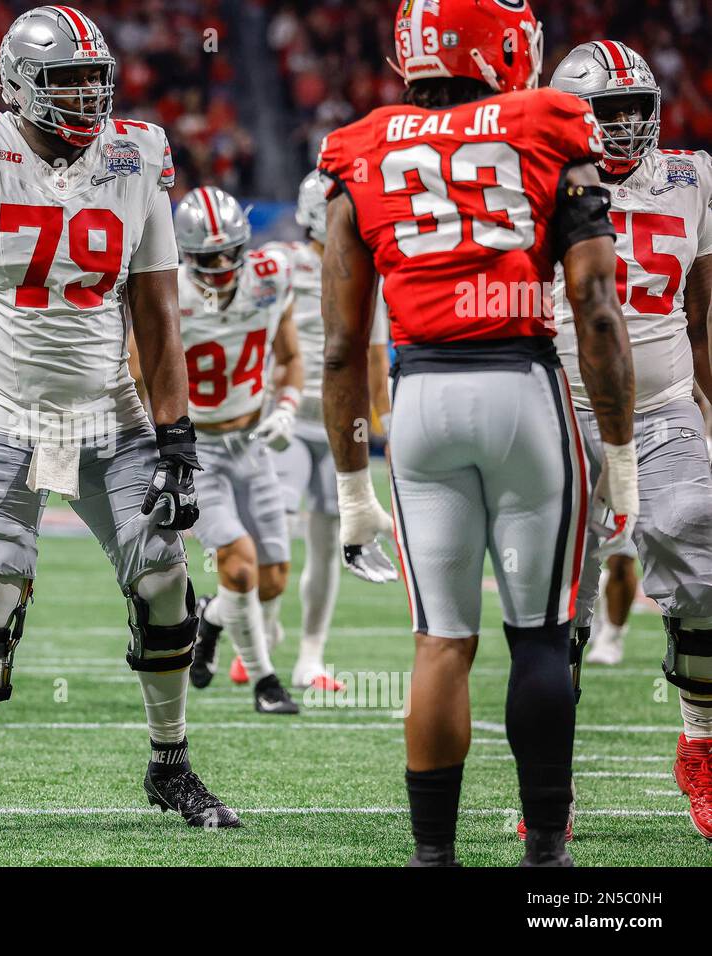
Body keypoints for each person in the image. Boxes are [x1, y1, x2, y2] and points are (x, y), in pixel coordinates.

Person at [0, 5, 238, 837]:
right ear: (17, 85)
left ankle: (170, 761)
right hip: (4, 406)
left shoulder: (135, 156)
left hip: (107, 408)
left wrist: (175, 433)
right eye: (65, 81)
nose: (85, 97)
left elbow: (156, 305)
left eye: (93, 79)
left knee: (163, 577)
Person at [319, 0, 636, 866]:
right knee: (538, 634)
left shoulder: (361, 146)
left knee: (440, 641)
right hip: (520, 389)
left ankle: (433, 859)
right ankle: (544, 856)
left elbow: (344, 346)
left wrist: (353, 490)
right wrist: (622, 452)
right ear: (501, 45)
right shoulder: (544, 123)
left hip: (420, 402)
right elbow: (597, 312)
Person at [548, 40, 712, 839]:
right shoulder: (536, 178)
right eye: (605, 110)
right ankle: (552, 784)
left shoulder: (692, 177)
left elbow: (703, 316)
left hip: (664, 408)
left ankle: (702, 746)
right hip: (566, 411)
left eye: (633, 108)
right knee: (557, 607)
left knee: (703, 567)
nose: (622, 124)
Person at [263, 170, 396, 691]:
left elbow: (376, 357)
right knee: (273, 531)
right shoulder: (283, 265)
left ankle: (310, 657)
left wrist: (384, 421)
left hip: (342, 426)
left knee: (327, 544)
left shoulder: (366, 269)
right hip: (289, 419)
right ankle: (266, 631)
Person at [171, 185, 301, 714]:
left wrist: (288, 405)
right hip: (199, 447)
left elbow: (290, 356)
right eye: (209, 256)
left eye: (230, 252)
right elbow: (138, 371)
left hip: (254, 442)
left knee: (271, 580)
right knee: (240, 566)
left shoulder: (271, 276)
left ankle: (211, 619)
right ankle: (266, 682)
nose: (223, 264)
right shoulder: (169, 292)